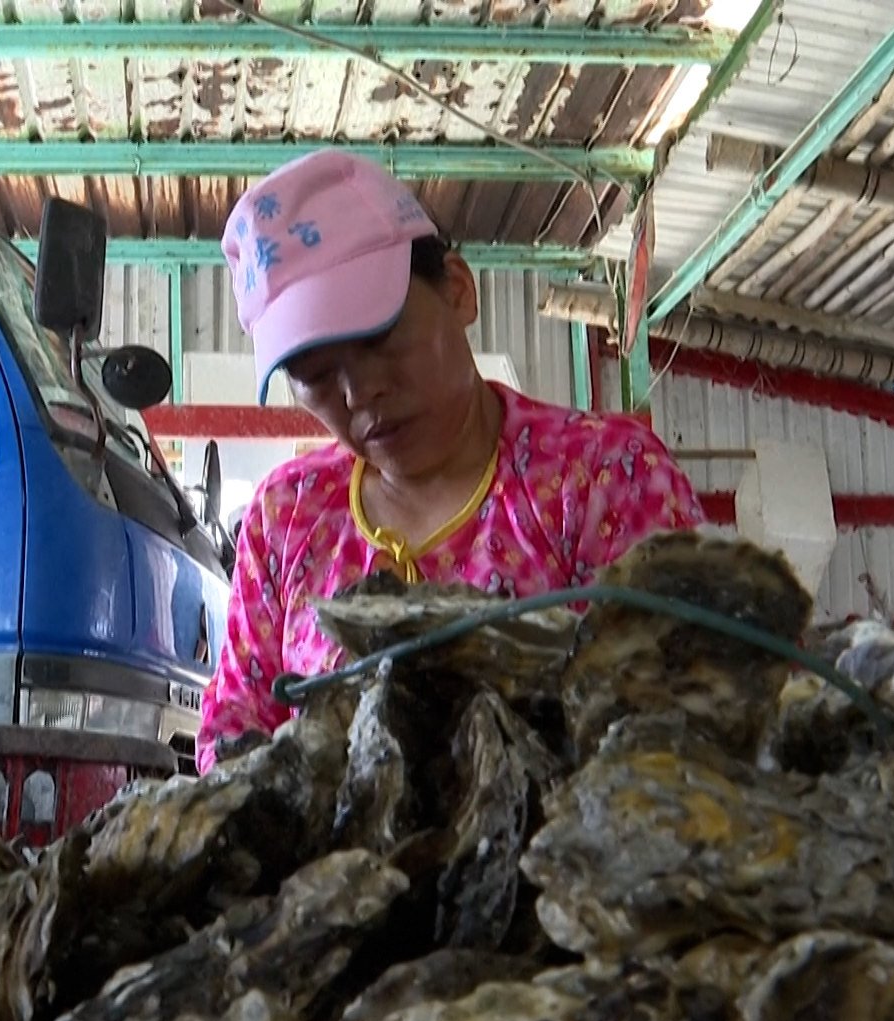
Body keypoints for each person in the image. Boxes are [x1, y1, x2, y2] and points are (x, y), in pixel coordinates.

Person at [195, 149, 703, 773]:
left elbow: (689, 713)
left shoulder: (601, 476)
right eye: (315, 374)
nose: (360, 394)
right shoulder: (287, 518)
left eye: (378, 339)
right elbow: (234, 733)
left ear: (458, 291)